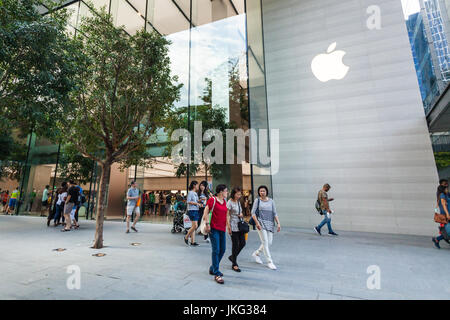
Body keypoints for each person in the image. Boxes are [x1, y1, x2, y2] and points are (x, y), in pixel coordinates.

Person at [251, 185, 281, 270]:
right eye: (260, 191)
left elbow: (275, 213)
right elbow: (253, 213)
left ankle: (256, 253)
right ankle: (269, 262)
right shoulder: (257, 200)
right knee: (265, 242)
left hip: (270, 224)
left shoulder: (271, 201)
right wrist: (257, 223)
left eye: (263, 191)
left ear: (266, 192)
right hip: (261, 223)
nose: (262, 192)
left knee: (269, 242)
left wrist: (278, 223)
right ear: (259, 192)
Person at [203, 184, 229, 284]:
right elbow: (206, 211)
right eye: (226, 190)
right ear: (221, 191)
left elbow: (225, 215)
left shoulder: (224, 201)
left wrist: (228, 226)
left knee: (223, 249)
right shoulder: (212, 200)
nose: (227, 192)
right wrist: (207, 223)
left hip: (222, 229)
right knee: (216, 249)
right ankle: (217, 274)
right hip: (213, 228)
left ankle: (212, 267)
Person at [227, 187, 246, 272]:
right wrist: (228, 227)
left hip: (239, 224)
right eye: (238, 194)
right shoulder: (229, 202)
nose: (239, 195)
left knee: (242, 243)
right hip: (233, 225)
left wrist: (241, 214)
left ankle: (232, 257)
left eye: (240, 194)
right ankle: (234, 264)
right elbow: (227, 215)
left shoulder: (238, 202)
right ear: (233, 194)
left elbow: (240, 211)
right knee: (235, 245)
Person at [185, 181, 201, 246]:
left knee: (193, 226)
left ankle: (192, 242)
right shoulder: (190, 193)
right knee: (195, 226)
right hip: (192, 210)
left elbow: (196, 201)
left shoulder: (195, 193)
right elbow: (188, 201)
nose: (198, 187)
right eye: (197, 185)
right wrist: (197, 203)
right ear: (194, 185)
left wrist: (200, 201)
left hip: (196, 210)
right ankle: (186, 237)